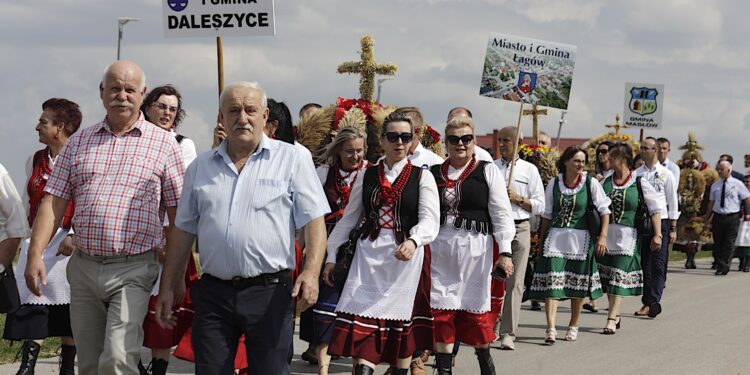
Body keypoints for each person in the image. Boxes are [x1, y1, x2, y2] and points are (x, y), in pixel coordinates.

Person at [155, 81, 329, 374]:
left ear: (265, 116)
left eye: (250, 110)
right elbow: (183, 231)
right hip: (214, 294)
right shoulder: (201, 167)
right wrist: (169, 285)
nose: (242, 118)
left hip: (270, 292)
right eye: (233, 110)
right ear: (221, 117)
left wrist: (311, 273)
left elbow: (314, 221)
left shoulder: (292, 159)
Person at [24, 61, 185, 375]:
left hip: (134, 267)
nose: (121, 96)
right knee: (89, 364)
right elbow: (53, 202)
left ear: (142, 94)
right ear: (102, 92)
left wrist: (172, 279)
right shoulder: (80, 143)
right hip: (83, 268)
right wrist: (35, 254)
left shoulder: (165, 145)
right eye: (114, 88)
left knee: (118, 357)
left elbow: (179, 217)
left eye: (128, 89)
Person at [323, 112, 440, 375]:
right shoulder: (368, 175)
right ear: (382, 140)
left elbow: (430, 221)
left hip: (405, 262)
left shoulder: (423, 177)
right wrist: (331, 256)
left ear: (412, 141)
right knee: (364, 336)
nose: (400, 142)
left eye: (405, 137)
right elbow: (348, 220)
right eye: (393, 136)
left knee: (400, 342)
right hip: (368, 259)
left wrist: (413, 240)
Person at [429, 117, 515, 375]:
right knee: (441, 315)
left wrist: (506, 252)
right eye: (454, 139)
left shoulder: (487, 171)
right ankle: (444, 371)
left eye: (466, 139)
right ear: (446, 143)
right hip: (439, 253)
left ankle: (485, 364)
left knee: (476, 320)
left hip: (476, 253)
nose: (460, 144)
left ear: (474, 141)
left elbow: (502, 215)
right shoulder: (433, 173)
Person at [4, 99, 81, 375]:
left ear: (59, 128)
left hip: (66, 244)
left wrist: (74, 235)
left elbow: (86, 203)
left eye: (43, 121)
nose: (38, 126)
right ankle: (27, 367)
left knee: (67, 307)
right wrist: (25, 239)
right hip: (38, 241)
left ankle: (67, 367)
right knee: (33, 301)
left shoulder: (79, 160)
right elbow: (28, 202)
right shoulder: (35, 160)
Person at [138, 84, 198, 375]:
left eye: (173, 108)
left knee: (162, 308)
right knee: (132, 311)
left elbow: (178, 195)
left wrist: (167, 236)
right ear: (148, 107)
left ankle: (159, 369)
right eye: (162, 106)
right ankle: (134, 365)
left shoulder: (182, 144)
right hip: (134, 235)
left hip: (165, 234)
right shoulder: (133, 140)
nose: (167, 112)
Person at [299, 126, 369, 375]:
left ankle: (356, 364)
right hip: (326, 241)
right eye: (349, 151)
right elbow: (310, 213)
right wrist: (307, 245)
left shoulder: (370, 173)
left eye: (360, 150)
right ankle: (324, 367)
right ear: (338, 150)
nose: (355, 156)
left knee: (356, 305)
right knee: (325, 304)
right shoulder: (323, 173)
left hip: (359, 246)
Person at [528, 145, 611, 344]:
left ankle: (574, 324)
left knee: (577, 286)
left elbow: (604, 211)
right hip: (555, 239)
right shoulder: (554, 183)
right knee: (552, 284)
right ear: (566, 161)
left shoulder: (590, 183)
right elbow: (547, 214)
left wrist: (602, 237)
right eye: (576, 160)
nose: (580, 164)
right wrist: (541, 240)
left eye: (583, 161)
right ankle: (550, 328)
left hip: (580, 241)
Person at [598, 143, 664, 334]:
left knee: (619, 276)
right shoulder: (605, 182)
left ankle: (611, 318)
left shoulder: (639, 182)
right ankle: (615, 314)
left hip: (628, 237)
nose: (608, 160)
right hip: (607, 235)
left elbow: (655, 209)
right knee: (609, 280)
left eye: (612, 157)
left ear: (623, 159)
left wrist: (658, 234)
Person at [493, 126, 545, 351]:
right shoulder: (491, 168)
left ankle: (508, 332)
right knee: (493, 280)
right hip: (495, 229)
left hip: (520, 227)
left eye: (507, 140)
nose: (503, 144)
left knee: (515, 283)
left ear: (518, 142)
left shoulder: (529, 170)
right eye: (500, 140)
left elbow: (540, 205)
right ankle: (488, 327)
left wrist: (518, 198)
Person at [634, 137, 679, 318]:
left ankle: (653, 301)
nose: (643, 150)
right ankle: (648, 301)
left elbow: (672, 201)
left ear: (655, 150)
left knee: (658, 264)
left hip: (663, 221)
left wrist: (674, 227)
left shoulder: (666, 174)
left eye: (647, 148)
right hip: (644, 222)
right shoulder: (637, 173)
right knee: (646, 263)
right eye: (641, 147)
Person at [583, 140, 614, 313]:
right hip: (592, 222)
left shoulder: (615, 176)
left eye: (605, 151)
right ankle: (593, 299)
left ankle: (611, 304)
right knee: (592, 262)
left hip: (609, 223)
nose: (601, 154)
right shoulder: (593, 176)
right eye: (599, 152)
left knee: (607, 265)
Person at [704, 161, 750, 275]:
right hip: (718, 217)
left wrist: (747, 212)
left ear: (729, 170)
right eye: (718, 169)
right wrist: (707, 219)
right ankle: (721, 264)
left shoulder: (738, 184)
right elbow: (711, 203)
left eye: (721, 170)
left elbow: (747, 198)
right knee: (718, 242)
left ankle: (723, 265)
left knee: (729, 243)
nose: (719, 172)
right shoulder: (715, 185)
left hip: (733, 217)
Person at [734, 174, 750, 272]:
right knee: (739, 241)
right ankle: (741, 262)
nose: (747, 183)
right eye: (745, 182)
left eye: (749, 182)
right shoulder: (740, 193)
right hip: (740, 219)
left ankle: (747, 264)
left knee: (748, 242)